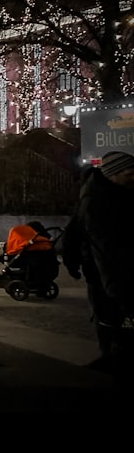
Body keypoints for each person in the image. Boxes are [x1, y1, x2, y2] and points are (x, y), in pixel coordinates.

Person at [61, 150, 134, 376]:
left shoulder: (112, 193)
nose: (133, 178)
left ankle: (115, 358)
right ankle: (113, 359)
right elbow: (102, 244)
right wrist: (73, 261)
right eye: (129, 174)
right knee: (111, 318)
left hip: (112, 271)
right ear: (113, 175)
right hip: (106, 272)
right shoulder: (97, 201)